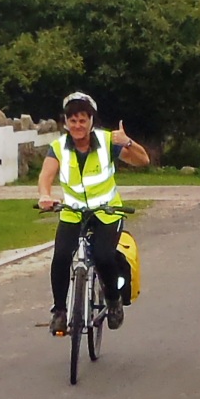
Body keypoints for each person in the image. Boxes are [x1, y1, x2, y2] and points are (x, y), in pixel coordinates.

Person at [38, 91, 150, 335]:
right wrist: (45, 195)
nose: (78, 126)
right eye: (73, 120)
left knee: (103, 256)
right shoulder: (58, 147)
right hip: (73, 213)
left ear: (91, 121)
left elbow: (143, 161)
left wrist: (128, 142)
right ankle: (59, 311)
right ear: (66, 122)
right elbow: (46, 176)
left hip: (107, 212)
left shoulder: (108, 142)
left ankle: (112, 301)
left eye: (83, 120)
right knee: (60, 258)